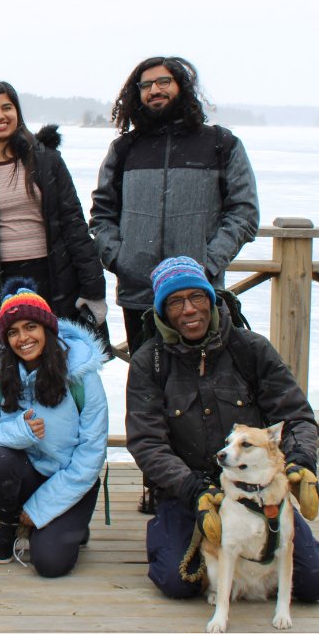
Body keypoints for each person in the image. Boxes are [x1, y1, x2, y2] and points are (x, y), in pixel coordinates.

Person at [126, 256, 319, 601]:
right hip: (190, 493)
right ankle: (174, 533)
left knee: (312, 582)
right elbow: (146, 443)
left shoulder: (251, 348)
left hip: (258, 492)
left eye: (197, 297)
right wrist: (191, 488)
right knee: (177, 581)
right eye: (175, 301)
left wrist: (301, 462)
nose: (188, 310)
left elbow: (296, 417)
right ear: (162, 312)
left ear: (212, 298)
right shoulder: (148, 362)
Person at [0, 80, 106, 394]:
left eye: (7, 107)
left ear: (17, 112)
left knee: (55, 368)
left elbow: (74, 226)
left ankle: (56, 437)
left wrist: (94, 289)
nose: (0, 116)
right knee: (0, 372)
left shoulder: (46, 160)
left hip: (50, 279)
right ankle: (3, 440)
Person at [90, 55, 259, 354]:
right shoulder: (125, 150)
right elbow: (102, 214)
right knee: (147, 385)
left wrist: (206, 265)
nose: (154, 89)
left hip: (199, 296)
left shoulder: (221, 144)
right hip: (140, 295)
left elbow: (244, 213)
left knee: (207, 386)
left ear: (182, 86)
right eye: (146, 85)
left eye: (163, 81)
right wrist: (120, 261)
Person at [0, 283, 108, 576]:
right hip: (23, 471)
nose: (23, 338)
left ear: (47, 328)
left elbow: (91, 454)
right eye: (13, 332)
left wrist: (40, 508)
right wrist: (18, 432)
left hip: (70, 478)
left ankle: (67, 521)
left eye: (30, 327)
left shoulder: (81, 375)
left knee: (51, 564)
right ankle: (9, 524)